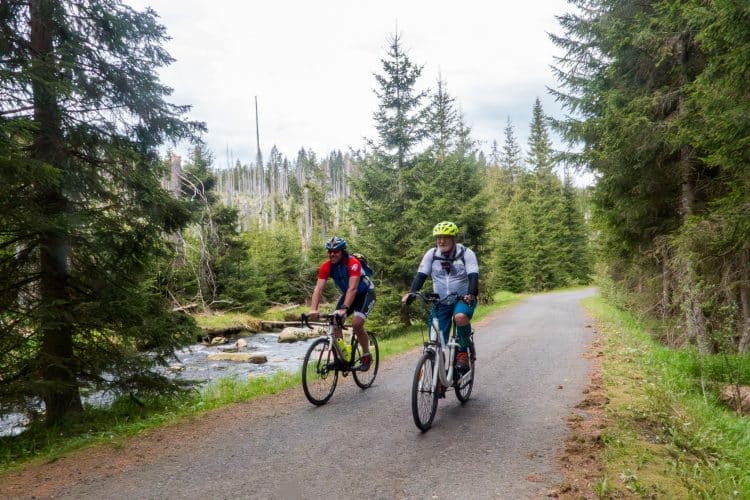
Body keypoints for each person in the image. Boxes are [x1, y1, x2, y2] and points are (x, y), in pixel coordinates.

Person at [402, 221, 479, 375]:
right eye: (438, 238)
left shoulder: (466, 253)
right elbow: (421, 275)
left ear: (453, 239)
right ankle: (440, 376)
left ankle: (462, 352)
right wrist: (411, 293)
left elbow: (473, 276)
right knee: (435, 341)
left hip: (462, 299)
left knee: (460, 317)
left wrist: (470, 294)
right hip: (441, 301)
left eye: (445, 237)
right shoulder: (431, 254)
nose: (441, 241)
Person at [309, 236, 375, 370]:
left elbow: (353, 288)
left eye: (336, 251)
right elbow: (318, 288)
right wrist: (313, 309)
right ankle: (342, 357)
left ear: (342, 251)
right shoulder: (326, 267)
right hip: (348, 295)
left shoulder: (353, 263)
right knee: (335, 322)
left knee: (357, 324)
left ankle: (367, 355)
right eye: (329, 251)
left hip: (365, 294)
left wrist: (345, 308)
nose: (332, 254)